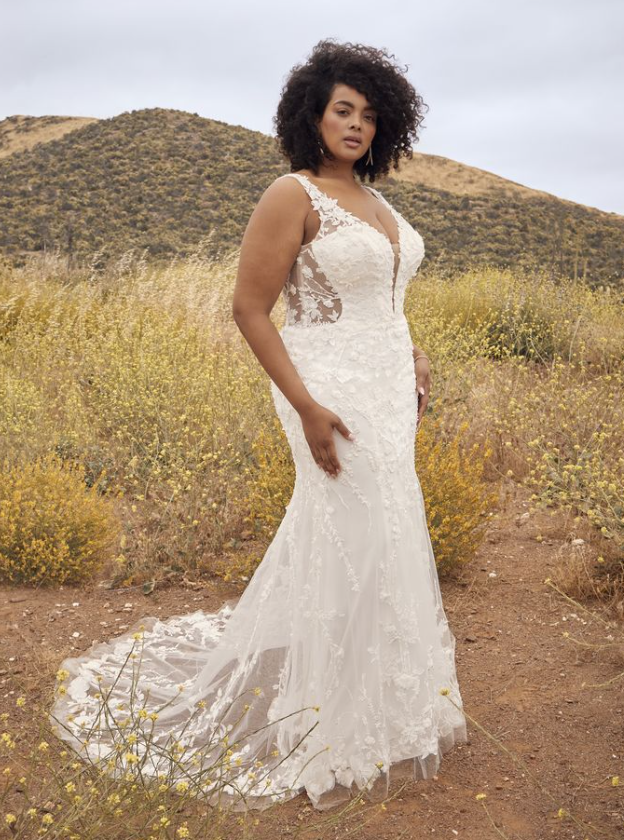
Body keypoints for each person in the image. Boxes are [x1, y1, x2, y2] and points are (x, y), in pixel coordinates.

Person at [50, 39, 468, 813]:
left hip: (383, 387)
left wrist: (414, 353)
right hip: (325, 389)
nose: (357, 125)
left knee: (389, 530)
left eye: (370, 115)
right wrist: (306, 405)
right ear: (312, 113)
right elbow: (250, 309)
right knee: (355, 524)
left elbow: (389, 300)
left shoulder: (380, 205)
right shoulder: (292, 194)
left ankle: (384, 699)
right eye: (343, 109)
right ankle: (326, 720)